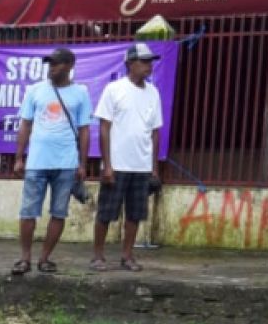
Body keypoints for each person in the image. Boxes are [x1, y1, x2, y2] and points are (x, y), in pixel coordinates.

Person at [11, 47, 92, 275]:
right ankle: (24, 258)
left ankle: (44, 259)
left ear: (69, 66)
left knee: (59, 212)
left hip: (66, 163)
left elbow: (85, 130)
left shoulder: (81, 93)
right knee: (28, 212)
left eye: (56, 64)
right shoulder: (35, 90)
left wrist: (83, 164)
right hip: (36, 162)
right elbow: (25, 124)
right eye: (50, 64)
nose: (52, 68)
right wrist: (19, 157)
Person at [92, 43, 164, 272]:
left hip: (141, 165)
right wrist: (107, 165)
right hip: (118, 164)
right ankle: (98, 256)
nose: (148, 66)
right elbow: (104, 127)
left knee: (135, 214)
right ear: (130, 64)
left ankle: (127, 255)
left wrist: (154, 168)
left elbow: (155, 132)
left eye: (150, 62)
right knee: (106, 212)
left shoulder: (153, 92)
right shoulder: (114, 89)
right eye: (144, 62)